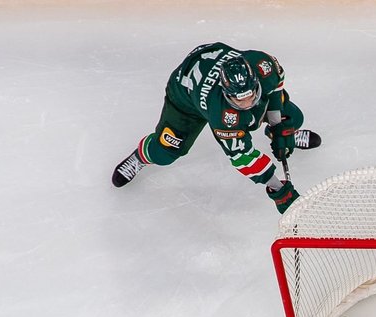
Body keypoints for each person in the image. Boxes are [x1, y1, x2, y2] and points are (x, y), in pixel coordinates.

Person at [110, 42, 319, 213]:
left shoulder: (262, 64)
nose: (248, 104)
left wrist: (277, 126)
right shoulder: (223, 116)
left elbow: (276, 84)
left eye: (251, 96)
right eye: (240, 100)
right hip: (185, 97)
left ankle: (277, 134)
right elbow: (242, 157)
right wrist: (276, 187)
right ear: (227, 94)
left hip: (212, 56)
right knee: (166, 152)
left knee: (293, 117)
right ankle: (141, 156)